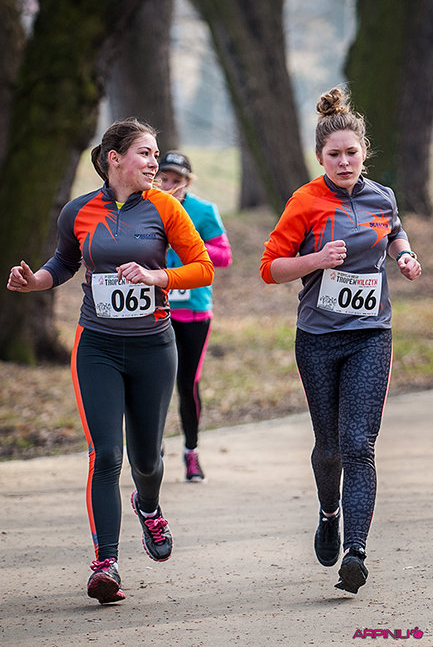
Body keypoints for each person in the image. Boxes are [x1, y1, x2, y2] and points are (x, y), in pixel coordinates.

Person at [7, 118, 214, 604]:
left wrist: (156, 276)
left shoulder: (166, 207)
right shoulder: (78, 211)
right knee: (105, 455)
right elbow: (63, 262)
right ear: (114, 158)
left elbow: (202, 268)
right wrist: (35, 282)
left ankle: (149, 506)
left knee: (146, 460)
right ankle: (106, 564)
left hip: (153, 347)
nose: (154, 162)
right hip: (97, 346)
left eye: (156, 153)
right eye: (145, 153)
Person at [260, 87, 421, 594]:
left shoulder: (382, 196)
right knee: (329, 448)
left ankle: (356, 552)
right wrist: (315, 260)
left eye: (352, 152)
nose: (345, 162)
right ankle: (328, 512)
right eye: (335, 155)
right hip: (318, 338)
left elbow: (393, 230)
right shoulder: (305, 202)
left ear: (364, 152)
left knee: (358, 444)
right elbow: (270, 268)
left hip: (371, 334)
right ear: (320, 157)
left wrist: (404, 255)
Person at [157, 151, 232, 483]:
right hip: (154, 309)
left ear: (188, 182)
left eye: (177, 180)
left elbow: (224, 256)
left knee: (187, 383)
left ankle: (191, 453)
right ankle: (152, 452)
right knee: (153, 383)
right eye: (164, 179)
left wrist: (190, 243)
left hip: (193, 311)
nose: (170, 186)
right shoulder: (143, 208)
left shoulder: (203, 211)